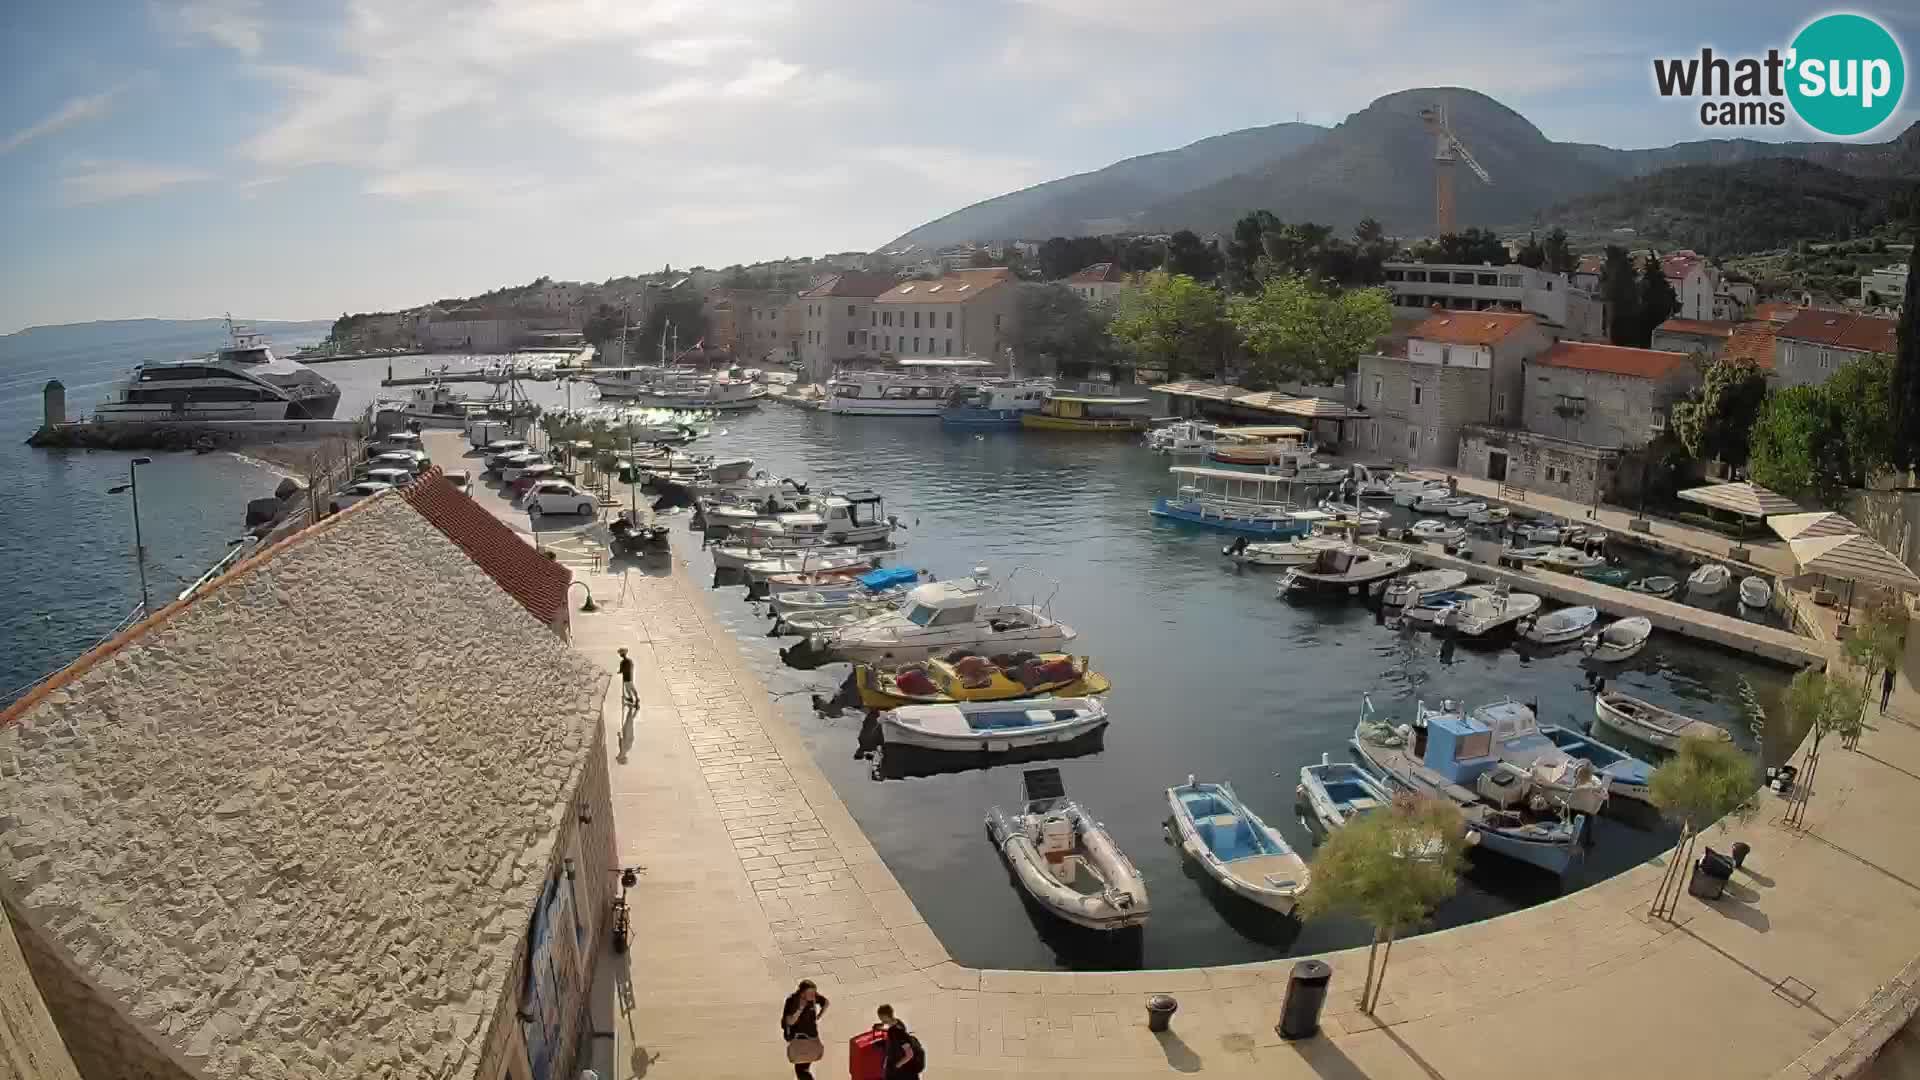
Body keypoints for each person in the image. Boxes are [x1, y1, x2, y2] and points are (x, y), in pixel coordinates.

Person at [781, 980, 829, 1078]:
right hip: (798, 1038)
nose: (813, 995)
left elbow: (826, 1003)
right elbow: (789, 1021)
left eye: (814, 992)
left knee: (801, 1070)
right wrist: (800, 1009)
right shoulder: (792, 1001)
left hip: (811, 1037)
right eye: (810, 993)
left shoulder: (814, 998)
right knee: (802, 1069)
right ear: (802, 993)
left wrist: (819, 1015)